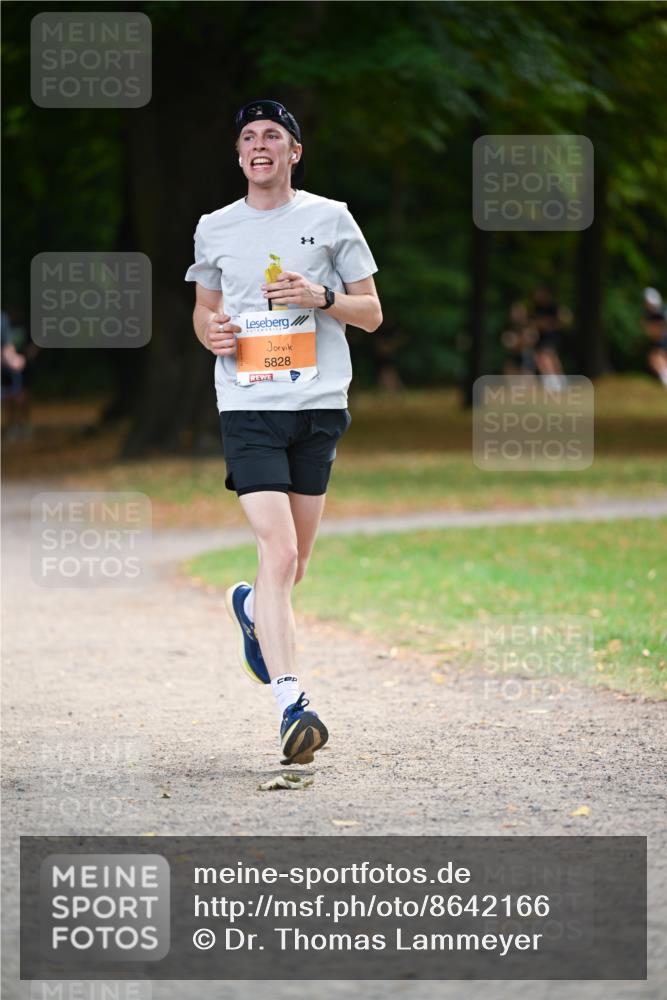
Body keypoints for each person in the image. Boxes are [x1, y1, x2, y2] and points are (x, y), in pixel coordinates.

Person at [184, 99, 382, 765]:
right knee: (276, 551)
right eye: (247, 136)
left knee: (294, 563)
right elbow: (204, 311)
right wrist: (208, 331)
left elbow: (373, 313)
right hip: (246, 404)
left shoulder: (330, 219)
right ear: (239, 156)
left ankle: (249, 611)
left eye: (273, 135)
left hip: (319, 404)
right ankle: (292, 703)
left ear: (294, 152)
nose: (259, 144)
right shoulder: (213, 227)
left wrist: (320, 298)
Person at [530, 285, 570, 391]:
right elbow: (534, 323)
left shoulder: (553, 306)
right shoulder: (536, 308)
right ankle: (551, 382)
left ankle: (558, 381)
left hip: (551, 337)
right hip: (540, 338)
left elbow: (565, 318)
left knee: (548, 357)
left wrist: (550, 325)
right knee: (540, 359)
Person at [641, 287, 667, 388]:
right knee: (655, 359)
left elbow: (655, 331)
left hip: (663, 340)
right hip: (660, 341)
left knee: (655, 358)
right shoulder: (652, 314)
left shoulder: (660, 313)